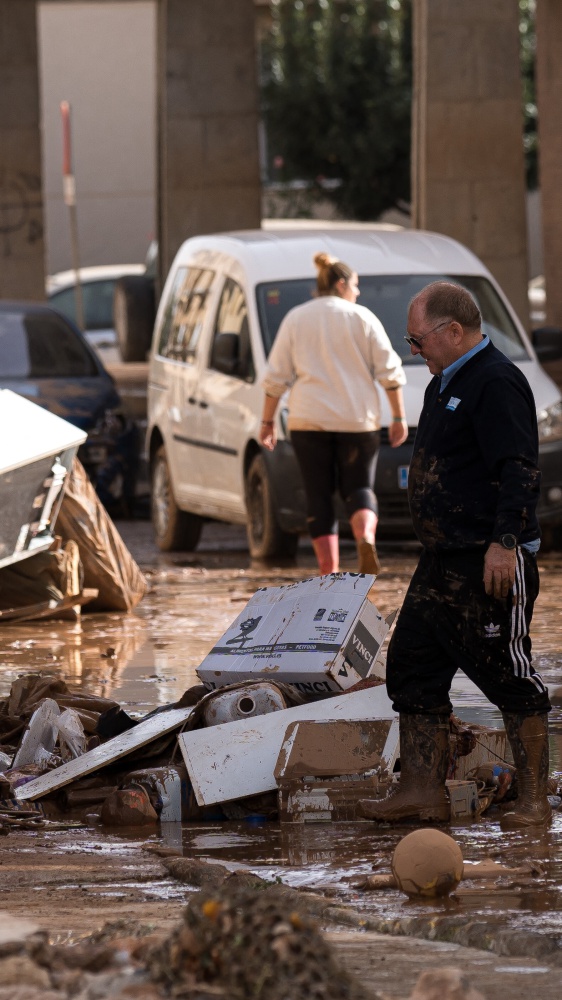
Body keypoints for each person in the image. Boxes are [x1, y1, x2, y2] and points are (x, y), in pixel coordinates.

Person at [358, 281, 552, 830]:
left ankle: (534, 800)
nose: (414, 352)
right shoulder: (445, 381)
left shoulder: (497, 382)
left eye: (418, 341)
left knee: (508, 675)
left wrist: (505, 542)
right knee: (412, 666)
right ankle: (421, 789)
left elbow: (519, 469)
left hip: (488, 559)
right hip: (440, 559)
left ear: (455, 332)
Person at [259, 252, 408, 575]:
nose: (357, 293)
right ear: (341, 285)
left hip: (308, 421)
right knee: (359, 488)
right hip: (357, 421)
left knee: (318, 494)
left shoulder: (296, 318)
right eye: (355, 286)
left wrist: (267, 421)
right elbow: (390, 372)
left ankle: (329, 571)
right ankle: (365, 536)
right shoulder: (362, 318)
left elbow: (276, 378)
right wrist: (397, 418)